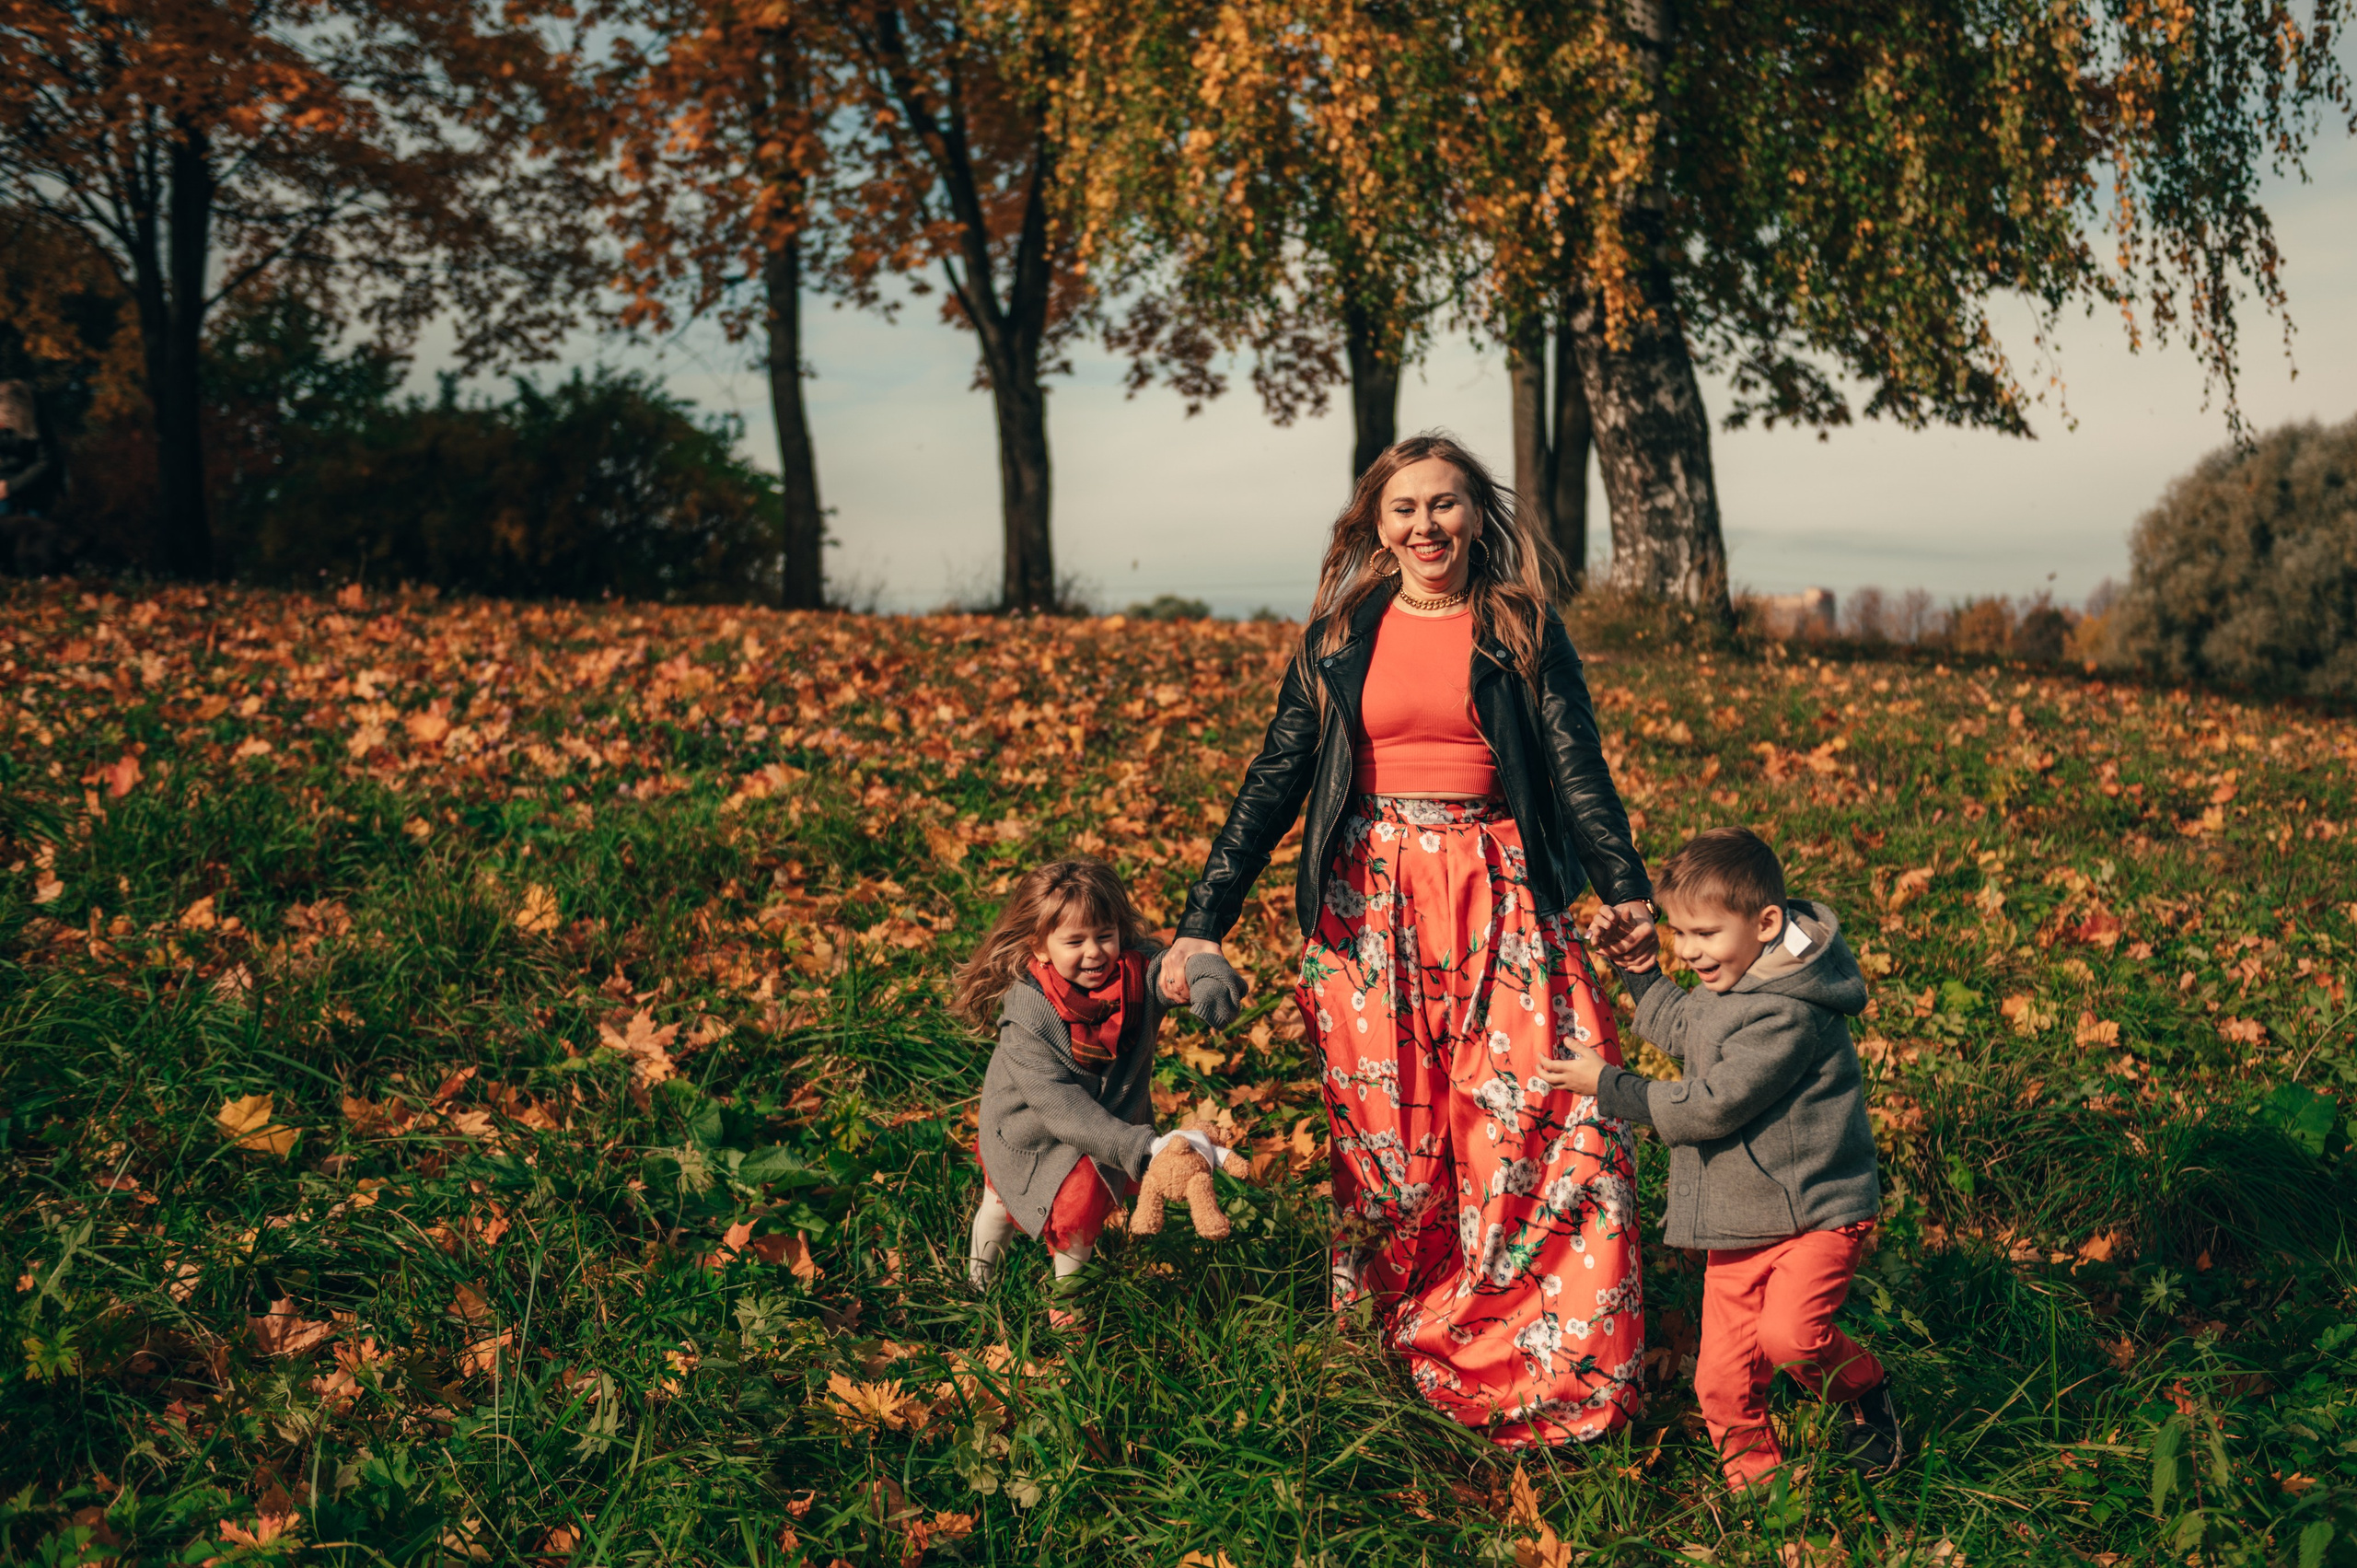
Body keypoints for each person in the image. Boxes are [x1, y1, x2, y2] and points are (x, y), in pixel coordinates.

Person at [1163, 432, 1657, 1446]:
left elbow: (1577, 769)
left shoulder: (1520, 624)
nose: (1425, 524)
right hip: (1367, 910)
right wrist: (1200, 919)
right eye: (1404, 508)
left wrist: (1628, 892)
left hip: (1503, 892)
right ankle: (1401, 1341)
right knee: (1396, 1148)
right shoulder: (1340, 631)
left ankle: (1550, 1361)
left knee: (1552, 1123)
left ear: (1478, 515)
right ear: (1375, 524)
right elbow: (1275, 778)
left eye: (1445, 503)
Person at [1538, 827, 1904, 1487]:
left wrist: (1610, 1086)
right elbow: (1683, 1024)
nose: (1688, 950)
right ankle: (1765, 1494)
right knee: (1721, 1377)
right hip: (1740, 1222)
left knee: (1792, 1339)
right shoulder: (1740, 976)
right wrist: (1638, 968)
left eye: (1703, 933)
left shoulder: (1790, 1012)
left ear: (1765, 921)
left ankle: (1865, 1386)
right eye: (1679, 932)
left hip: (1816, 1211)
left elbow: (1710, 1104)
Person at [954, 858, 1248, 1329]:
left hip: (1101, 1134)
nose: (1094, 952)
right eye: (1074, 941)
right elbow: (1059, 1106)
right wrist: (1144, 1148)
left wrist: (1210, 978)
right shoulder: (1028, 1013)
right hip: (1030, 1131)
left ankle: (1067, 1313)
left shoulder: (1138, 973)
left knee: (1077, 1230)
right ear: (1040, 947)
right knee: (999, 1208)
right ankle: (976, 1284)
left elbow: (1181, 967)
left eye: (1104, 935)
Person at [0, 380, 65, 575]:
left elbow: (47, 462)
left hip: (38, 482)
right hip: (4, 478)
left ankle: (42, 581)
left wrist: (10, 487)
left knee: (35, 541)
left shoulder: (38, 418)